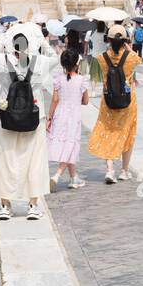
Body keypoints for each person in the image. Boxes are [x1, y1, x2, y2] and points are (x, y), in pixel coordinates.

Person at [0, 23, 57, 218]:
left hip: (6, 116)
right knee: (35, 161)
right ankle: (33, 206)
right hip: (35, 117)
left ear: (12, 45)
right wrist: (43, 43)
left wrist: (2, 41)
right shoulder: (41, 62)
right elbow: (55, 57)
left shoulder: (1, 61)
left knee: (6, 160)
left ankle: (5, 205)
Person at [88, 24, 141, 184]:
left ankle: (110, 169)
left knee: (107, 132)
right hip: (128, 101)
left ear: (109, 40)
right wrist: (129, 48)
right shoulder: (131, 58)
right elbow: (139, 59)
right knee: (127, 133)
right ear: (124, 40)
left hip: (108, 102)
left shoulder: (101, 58)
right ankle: (124, 170)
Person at [46, 48, 88, 190]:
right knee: (70, 146)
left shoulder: (58, 79)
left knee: (67, 145)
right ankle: (57, 175)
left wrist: (49, 117)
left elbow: (55, 100)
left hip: (59, 114)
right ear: (77, 63)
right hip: (73, 116)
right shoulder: (81, 80)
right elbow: (86, 101)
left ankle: (74, 178)